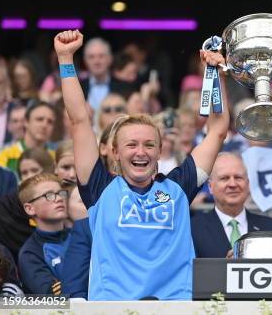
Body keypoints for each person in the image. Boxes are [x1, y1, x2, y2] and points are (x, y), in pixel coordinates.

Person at [55, 29, 229, 300]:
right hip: (113, 308)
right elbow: (79, 121)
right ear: (114, 151)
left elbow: (217, 130)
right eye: (131, 145)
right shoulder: (99, 188)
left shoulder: (179, 188)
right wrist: (66, 60)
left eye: (149, 145)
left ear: (160, 151)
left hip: (175, 307)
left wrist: (215, 74)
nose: (141, 152)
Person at [191, 152, 272, 258]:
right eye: (224, 178)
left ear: (248, 184)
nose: (232, 184)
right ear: (210, 186)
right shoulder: (192, 229)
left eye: (238, 177)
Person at [18, 173, 71, 295]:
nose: (59, 199)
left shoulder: (80, 235)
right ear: (30, 208)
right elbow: (51, 295)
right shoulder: (30, 253)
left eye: (61, 193)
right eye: (49, 195)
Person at [0, 101, 57, 175]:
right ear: (26, 122)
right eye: (39, 119)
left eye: (50, 122)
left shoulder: (55, 158)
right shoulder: (5, 156)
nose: (44, 125)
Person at [79, 37, 133, 112]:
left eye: (101, 56)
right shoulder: (78, 87)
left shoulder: (125, 87)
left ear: (110, 59)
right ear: (85, 61)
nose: (96, 61)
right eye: (91, 57)